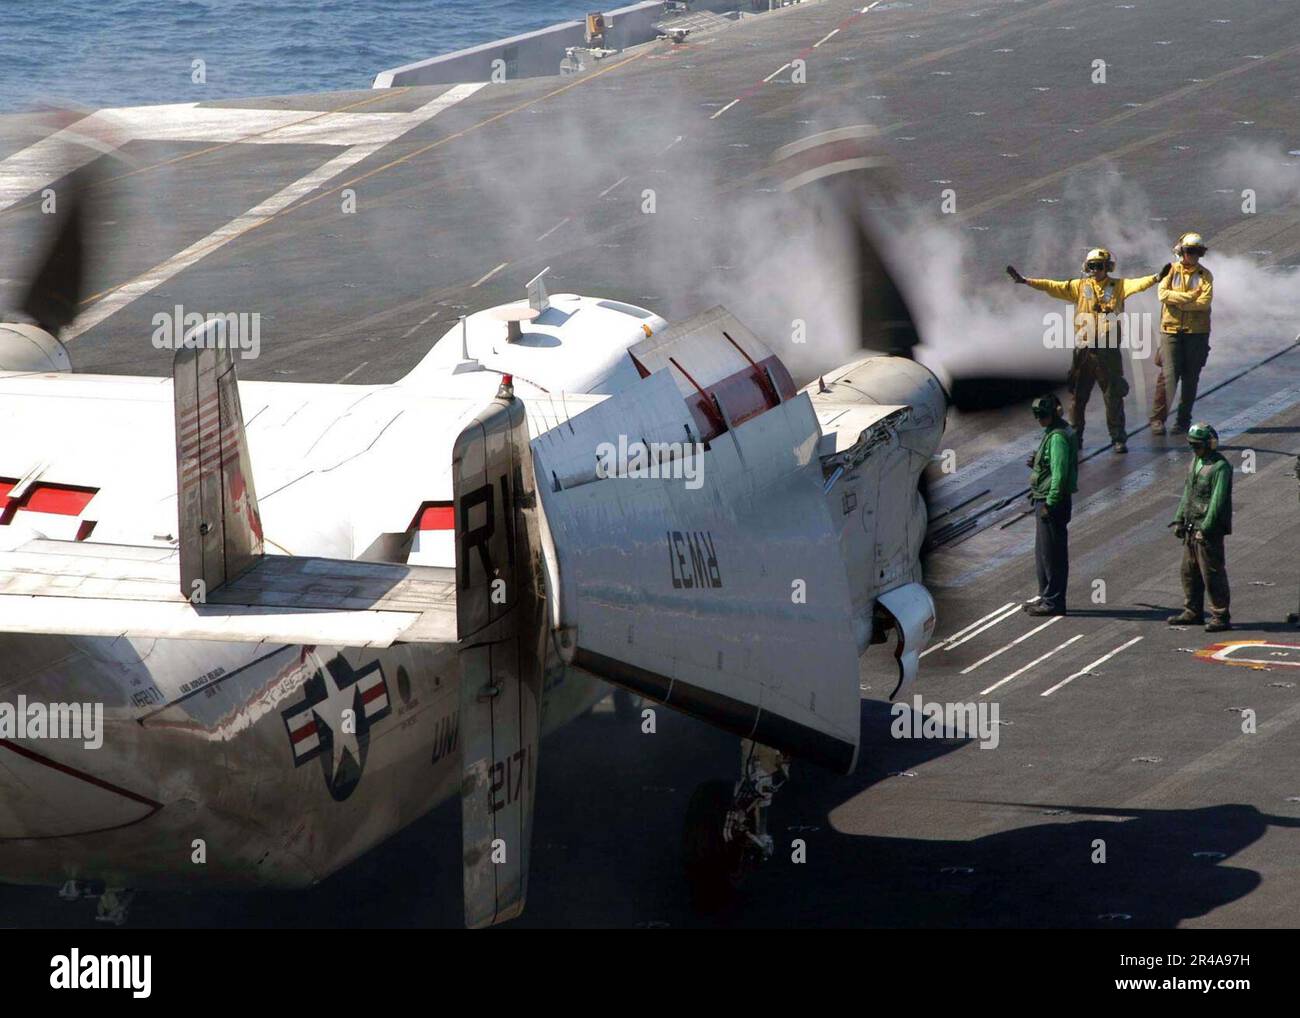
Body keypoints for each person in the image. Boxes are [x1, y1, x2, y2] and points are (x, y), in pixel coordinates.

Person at [1008, 249, 1169, 454]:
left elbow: (1138, 284)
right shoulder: (1079, 286)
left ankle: (1118, 438)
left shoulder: (1118, 286)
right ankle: (1076, 439)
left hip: (1108, 352)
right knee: (1078, 398)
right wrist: (1026, 281)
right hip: (1084, 351)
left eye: (1100, 266)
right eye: (1092, 266)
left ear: (1107, 267)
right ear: (1087, 267)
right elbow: (1051, 286)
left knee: (1113, 397)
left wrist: (1156, 278)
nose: (1096, 270)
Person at [1168, 423, 1232, 632]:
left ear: (1209, 444)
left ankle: (1220, 615)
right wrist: (1179, 518)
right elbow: (1188, 493)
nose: (1194, 449)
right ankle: (1193, 610)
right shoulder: (1195, 462)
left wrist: (1206, 527)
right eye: (1192, 445)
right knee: (1189, 571)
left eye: (1197, 445)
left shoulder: (1220, 467)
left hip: (1207, 531)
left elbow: (1217, 501)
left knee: (1211, 573)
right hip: (1191, 525)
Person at [1150, 232, 1214, 436]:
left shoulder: (1205, 275)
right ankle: (1158, 419)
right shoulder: (1170, 270)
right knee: (1168, 377)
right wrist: (1189, 298)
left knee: (1190, 378)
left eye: (1197, 252)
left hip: (1197, 332)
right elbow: (1162, 294)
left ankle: (1183, 421)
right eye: (1189, 251)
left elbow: (1204, 302)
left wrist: (1178, 302)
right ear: (1181, 252)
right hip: (1170, 330)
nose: (1193, 256)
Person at [1024, 394, 1078, 616]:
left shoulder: (1057, 438)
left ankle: (1054, 602)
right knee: (1043, 553)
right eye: (1038, 416)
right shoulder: (1053, 432)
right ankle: (1046, 596)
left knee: (1052, 554)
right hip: (1044, 499)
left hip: (1051, 502)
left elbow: (1059, 474)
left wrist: (1050, 502)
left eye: (1043, 416)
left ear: (1054, 412)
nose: (1040, 420)